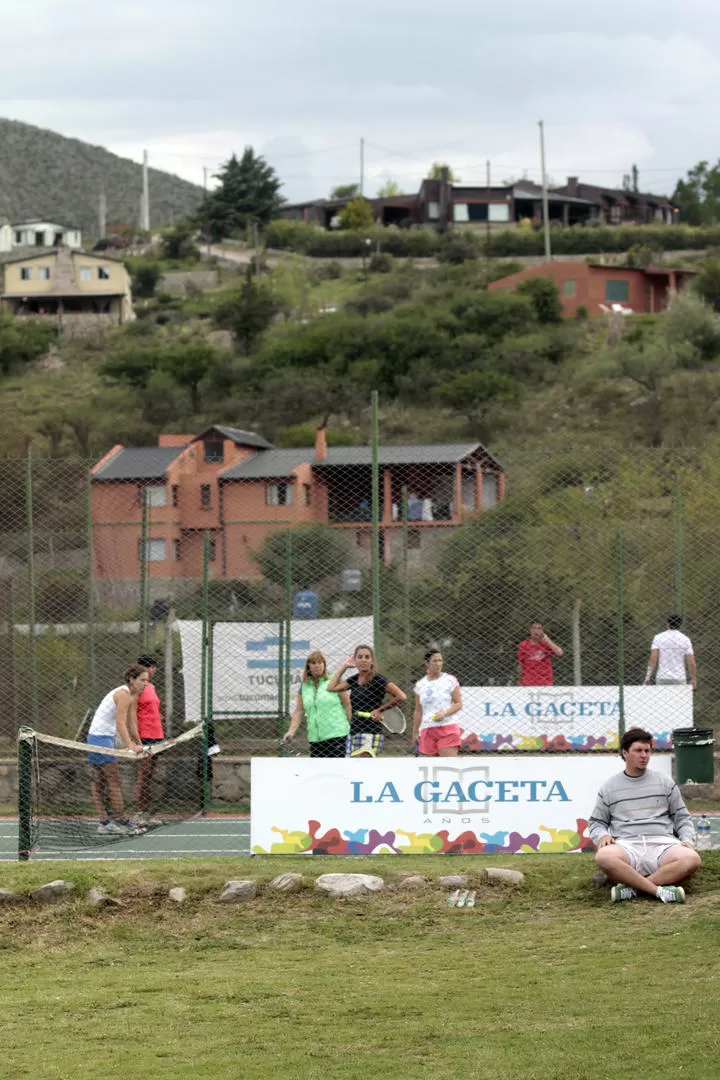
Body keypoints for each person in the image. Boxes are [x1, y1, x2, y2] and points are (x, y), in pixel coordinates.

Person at [589, 727, 701, 903]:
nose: (644, 755)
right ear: (625, 752)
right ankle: (659, 891)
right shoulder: (609, 787)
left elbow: (682, 817)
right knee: (603, 856)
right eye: (638, 750)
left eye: (647, 751)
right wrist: (602, 835)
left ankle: (633, 889)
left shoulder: (664, 782)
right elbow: (596, 822)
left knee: (692, 859)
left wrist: (687, 839)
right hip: (627, 845)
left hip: (663, 844)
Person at [87, 664, 149, 836]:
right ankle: (122, 821)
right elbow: (121, 723)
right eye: (142, 680)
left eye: (147, 681)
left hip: (103, 738)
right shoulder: (123, 694)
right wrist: (129, 745)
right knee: (114, 781)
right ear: (132, 679)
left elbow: (131, 723)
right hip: (99, 739)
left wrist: (140, 743)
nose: (145, 684)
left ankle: (105, 823)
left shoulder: (129, 696)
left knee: (102, 781)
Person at [327, 644, 407, 758]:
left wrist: (380, 710)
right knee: (353, 771)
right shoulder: (353, 680)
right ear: (355, 660)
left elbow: (401, 696)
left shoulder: (378, 679)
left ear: (372, 660)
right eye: (360, 657)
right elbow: (331, 688)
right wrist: (344, 667)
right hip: (354, 731)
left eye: (367, 657)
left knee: (361, 771)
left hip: (371, 733)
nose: (363, 660)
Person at [282, 651, 351, 757]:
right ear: (308, 666)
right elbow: (299, 710)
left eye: (320, 662)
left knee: (337, 772)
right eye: (313, 663)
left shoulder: (334, 681)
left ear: (324, 665)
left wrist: (354, 727)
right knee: (319, 772)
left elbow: (348, 705)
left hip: (338, 736)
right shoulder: (304, 686)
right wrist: (291, 732)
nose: (317, 665)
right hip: (315, 739)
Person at [133, 654, 165, 826]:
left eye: (153, 667)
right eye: (149, 666)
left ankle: (145, 813)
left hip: (157, 736)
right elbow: (132, 713)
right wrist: (135, 739)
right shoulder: (136, 687)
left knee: (149, 775)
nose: (152, 670)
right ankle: (138, 813)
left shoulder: (151, 687)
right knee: (143, 774)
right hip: (143, 737)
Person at [412, 649, 463, 757]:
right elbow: (418, 710)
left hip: (447, 728)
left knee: (448, 769)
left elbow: (458, 703)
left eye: (440, 660)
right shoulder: (420, 685)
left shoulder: (450, 680)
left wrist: (444, 713)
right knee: (430, 771)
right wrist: (415, 732)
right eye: (435, 661)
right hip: (427, 729)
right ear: (427, 663)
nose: (438, 664)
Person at [644, 615, 696, 689]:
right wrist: (694, 679)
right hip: (679, 677)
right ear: (680, 625)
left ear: (668, 624)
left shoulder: (658, 637)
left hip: (662, 676)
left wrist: (647, 678)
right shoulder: (685, 639)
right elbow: (691, 661)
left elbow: (653, 659)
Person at [517, 620, 563, 686]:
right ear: (530, 630)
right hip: (529, 681)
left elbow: (559, 653)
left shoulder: (546, 644)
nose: (536, 631)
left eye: (539, 628)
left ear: (542, 631)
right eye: (534, 628)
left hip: (545, 681)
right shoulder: (523, 645)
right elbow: (521, 664)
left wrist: (547, 640)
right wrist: (520, 680)